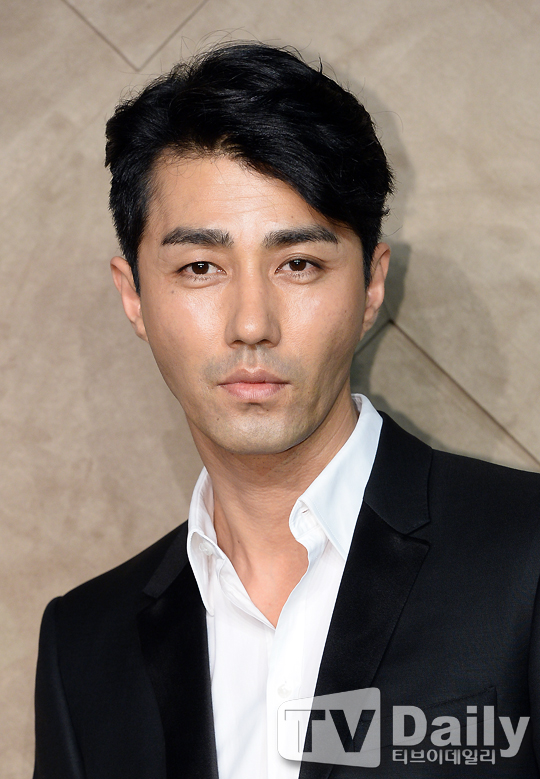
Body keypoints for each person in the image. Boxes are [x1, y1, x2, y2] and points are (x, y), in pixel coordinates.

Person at [33, 42, 540, 778]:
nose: (251, 323)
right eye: (199, 267)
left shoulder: (524, 556)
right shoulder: (82, 646)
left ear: (371, 285)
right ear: (133, 295)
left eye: (298, 264)